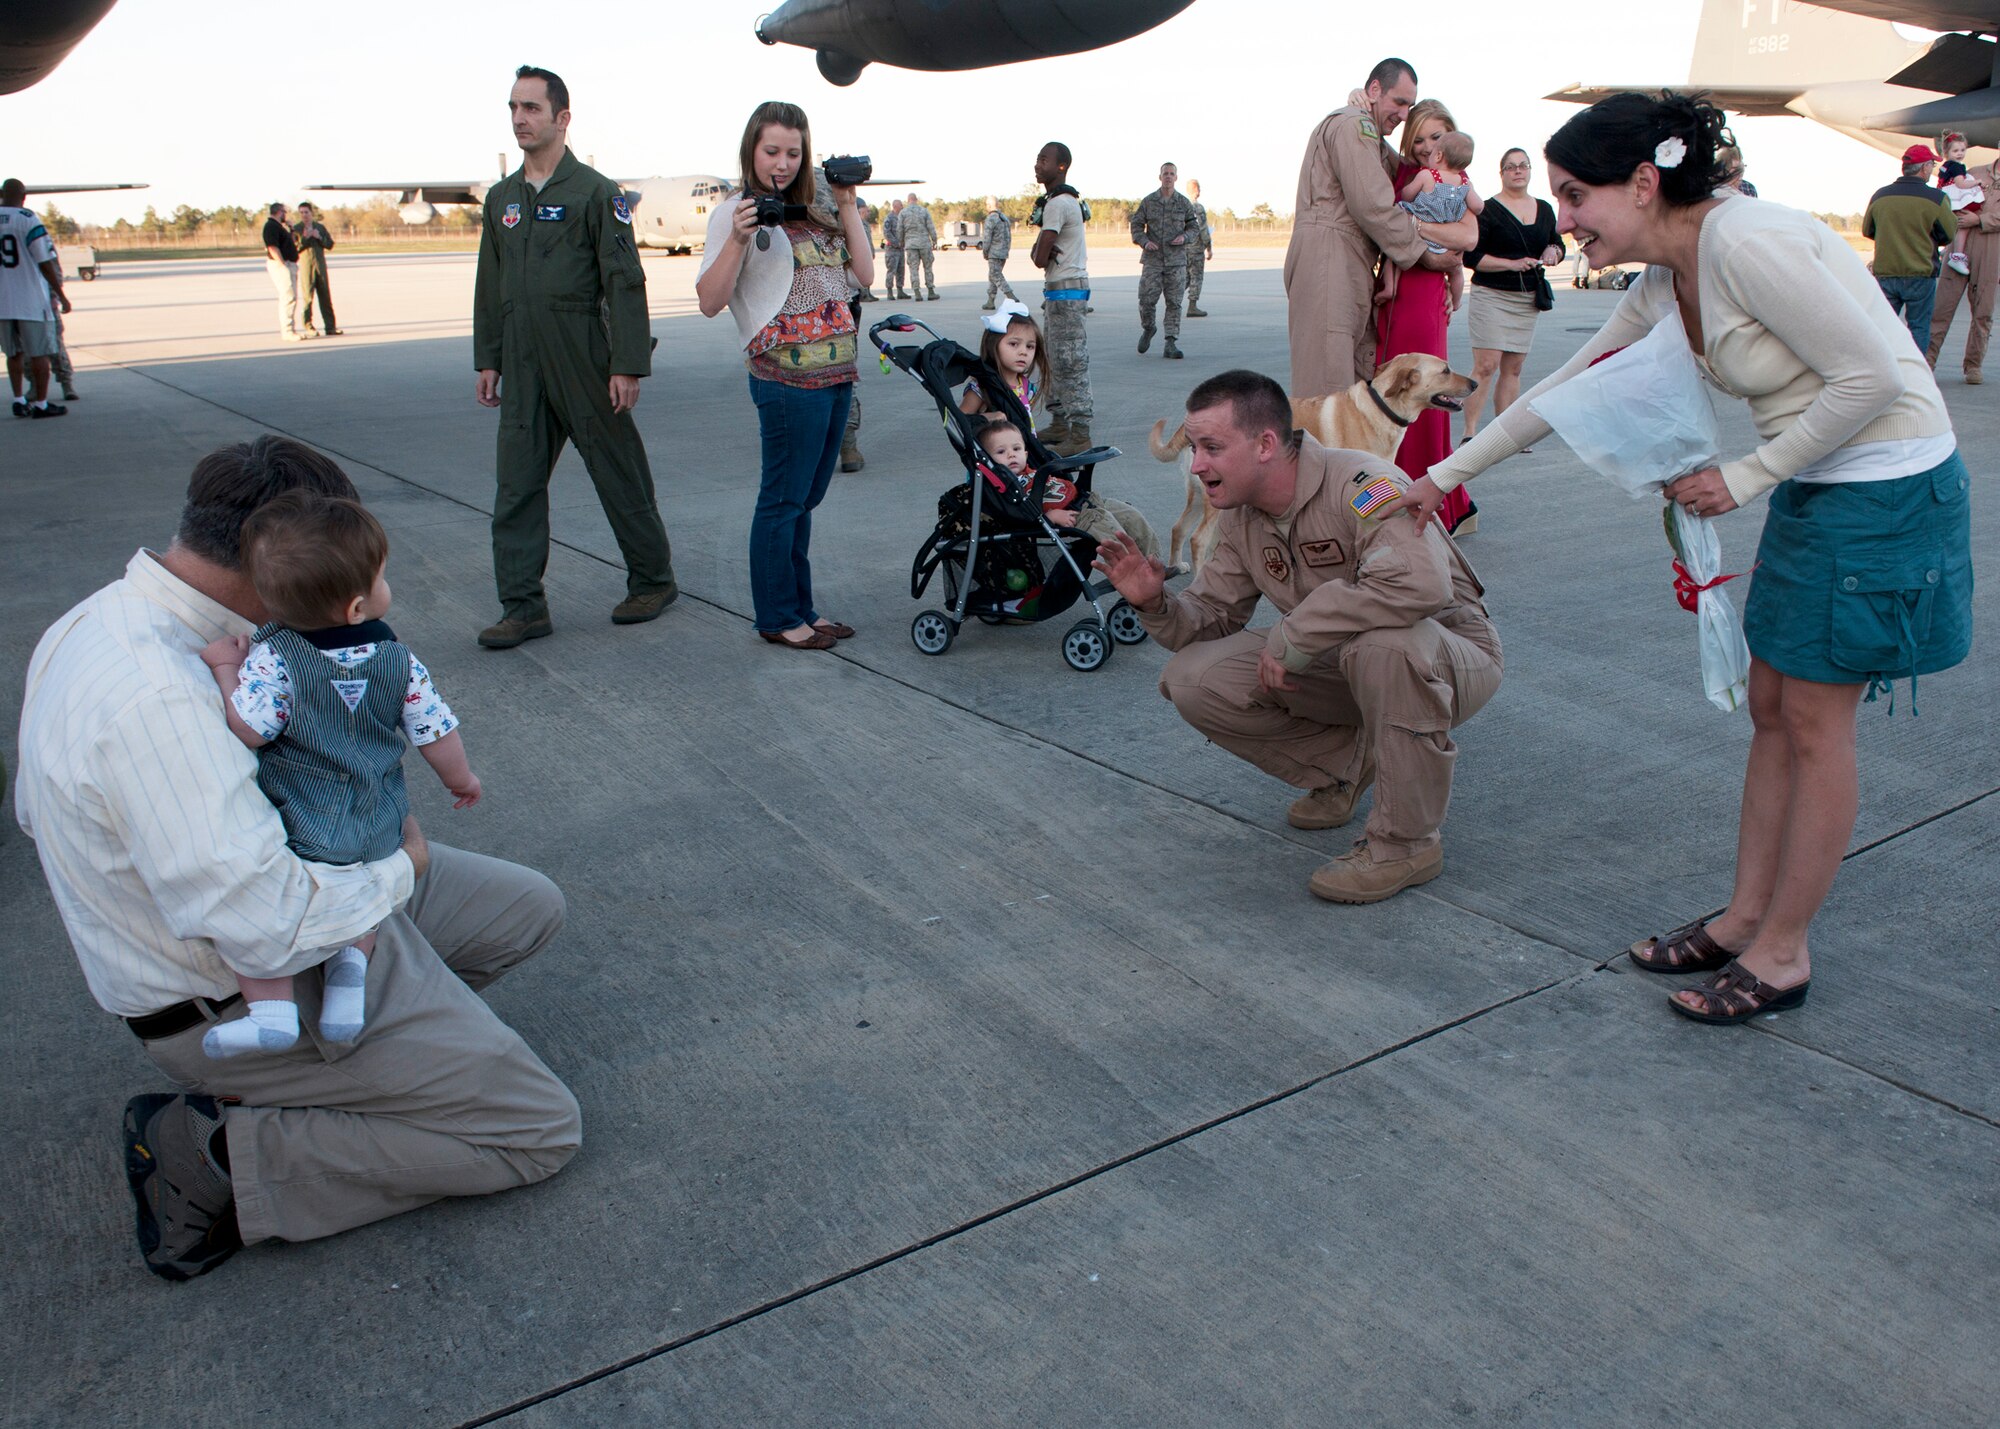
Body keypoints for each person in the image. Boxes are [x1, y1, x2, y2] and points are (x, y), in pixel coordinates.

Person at [1396, 92, 1970, 1025]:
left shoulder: (1746, 242)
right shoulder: (1669, 272)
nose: (1565, 218)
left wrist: (1746, 476)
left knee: (1818, 727)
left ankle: (1783, 952)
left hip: (1885, 491)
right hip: (1819, 488)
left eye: (1577, 196)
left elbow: (1874, 372)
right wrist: (1439, 479)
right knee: (1775, 708)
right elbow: (1569, 386)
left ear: (1644, 182)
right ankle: (1746, 915)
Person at [13, 435, 581, 1281]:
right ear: (266, 556)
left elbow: (29, 811)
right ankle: (217, 1155)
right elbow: (268, 925)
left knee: (526, 906)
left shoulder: (102, 618)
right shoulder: (157, 696)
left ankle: (377, 1070)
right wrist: (404, 866)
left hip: (308, 898)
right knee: (538, 1128)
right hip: (238, 985)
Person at [1095, 370, 1500, 904]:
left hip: (1448, 655)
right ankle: (1349, 768)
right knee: (1193, 679)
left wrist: (1296, 631)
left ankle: (1406, 844)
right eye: (1194, 449)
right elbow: (1210, 617)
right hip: (1346, 661)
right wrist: (1154, 602)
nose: (1196, 466)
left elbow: (1419, 586)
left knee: (1384, 645)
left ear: (1265, 444)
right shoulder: (1243, 519)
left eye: (1211, 448)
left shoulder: (1362, 482)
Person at [197, 491, 482, 1059]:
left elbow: (248, 729)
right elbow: (435, 733)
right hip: (378, 816)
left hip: (299, 820)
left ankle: (271, 1011)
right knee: (364, 898)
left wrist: (227, 668)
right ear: (356, 608)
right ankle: (348, 983)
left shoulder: (274, 659)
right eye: (381, 577)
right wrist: (461, 780)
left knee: (263, 921)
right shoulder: (400, 661)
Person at [472, 65, 680, 649]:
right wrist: (488, 357)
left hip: (584, 354)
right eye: (513, 107)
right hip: (522, 357)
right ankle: (522, 606)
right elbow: (490, 282)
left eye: (532, 108)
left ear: (562, 118)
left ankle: (653, 579)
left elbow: (624, 280)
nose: (519, 118)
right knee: (515, 485)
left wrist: (627, 363)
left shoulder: (595, 192)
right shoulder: (501, 198)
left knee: (618, 472)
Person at [696, 99, 873, 650]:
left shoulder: (814, 210)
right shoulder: (735, 213)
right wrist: (738, 239)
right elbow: (708, 300)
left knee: (805, 499)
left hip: (837, 374)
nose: (784, 162)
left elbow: (864, 274)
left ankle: (802, 607)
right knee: (782, 499)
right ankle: (777, 617)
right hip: (786, 380)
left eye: (794, 152)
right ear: (752, 149)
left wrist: (845, 204)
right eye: (772, 150)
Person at [1282, 58, 1476, 399]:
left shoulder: (1364, 132)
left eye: (1409, 106)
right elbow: (1373, 205)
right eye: (1398, 102)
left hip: (1347, 260)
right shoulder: (1354, 126)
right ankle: (1322, 455)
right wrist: (1426, 258)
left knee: (1350, 382)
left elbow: (1400, 167)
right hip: (1331, 257)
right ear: (1374, 90)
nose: (1403, 115)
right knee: (1326, 394)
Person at [1375, 100, 1477, 535]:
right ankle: (1401, 491)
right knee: (1390, 391)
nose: (1425, 147)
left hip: (1425, 293)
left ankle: (1438, 498)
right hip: (1397, 295)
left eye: (1435, 137)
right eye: (1417, 139)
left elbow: (1469, 236)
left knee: (1427, 391)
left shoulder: (1456, 178)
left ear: (1449, 138)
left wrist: (1417, 228)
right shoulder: (1402, 175)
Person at [1460, 148, 1565, 442]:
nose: (1518, 171)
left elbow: (1557, 242)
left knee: (1514, 368)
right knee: (1486, 365)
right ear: (1502, 173)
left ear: (1530, 171)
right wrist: (1512, 264)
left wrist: (1553, 251)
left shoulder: (1544, 209)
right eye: (1510, 167)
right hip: (1491, 296)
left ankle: (1503, 436)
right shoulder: (1488, 210)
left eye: (1523, 166)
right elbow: (1472, 258)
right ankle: (1470, 434)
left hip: (1526, 298)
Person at [973, 416, 1159, 557]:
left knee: (1132, 517)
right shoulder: (1006, 488)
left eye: (1016, 449)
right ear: (988, 459)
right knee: (1116, 540)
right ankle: (1138, 576)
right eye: (1001, 452)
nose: (1011, 455)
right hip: (1078, 516)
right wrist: (1048, 517)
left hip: (1089, 501)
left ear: (1026, 453)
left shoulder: (1032, 470)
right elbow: (1016, 515)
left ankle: (1154, 562)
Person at [1030, 140, 1094, 457]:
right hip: (1059, 292)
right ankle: (1059, 422)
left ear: (1061, 166)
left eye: (1044, 159)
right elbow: (1039, 253)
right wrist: (1041, 248)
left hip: (1066, 293)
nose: (1037, 164)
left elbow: (1039, 258)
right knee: (1054, 359)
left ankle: (1080, 432)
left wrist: (1042, 247)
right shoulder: (1059, 200)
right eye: (1037, 159)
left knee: (1070, 363)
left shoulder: (1058, 204)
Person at [1862, 144, 1955, 354]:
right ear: (1924, 168)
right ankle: (1916, 378)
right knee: (1919, 328)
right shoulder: (1936, 199)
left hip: (1886, 273)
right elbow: (1947, 234)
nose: (1932, 168)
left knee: (1883, 329)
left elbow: (1868, 230)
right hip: (1920, 274)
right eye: (1932, 164)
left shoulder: (1880, 196)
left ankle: (1884, 375)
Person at [1389, 128, 1482, 315]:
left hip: (1421, 238)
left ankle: (1389, 286)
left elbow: (1406, 195)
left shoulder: (1427, 176)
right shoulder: (1464, 183)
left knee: (1395, 255)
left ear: (1438, 156)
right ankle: (1455, 302)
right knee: (1456, 272)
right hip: (1445, 242)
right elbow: (1478, 206)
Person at [1928, 134, 1996, 384]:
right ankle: (1928, 361)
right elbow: (1947, 193)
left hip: (1991, 248)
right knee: (1942, 307)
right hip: (1960, 247)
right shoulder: (1975, 172)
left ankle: (1973, 366)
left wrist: (1980, 220)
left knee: (1983, 312)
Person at [0, 177, 70, 418]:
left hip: (3, 303)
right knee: (39, 354)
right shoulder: (28, 220)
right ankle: (41, 404)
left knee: (13, 354)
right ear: (24, 196)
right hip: (30, 300)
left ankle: (19, 399)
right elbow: (45, 261)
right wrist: (61, 295)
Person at [1131, 161, 1198, 359]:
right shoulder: (1149, 201)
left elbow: (1193, 227)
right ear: (1160, 177)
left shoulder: (1183, 203)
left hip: (1176, 261)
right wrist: (1144, 241)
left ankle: (1170, 342)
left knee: (1174, 303)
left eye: (1171, 173)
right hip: (1153, 260)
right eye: (1165, 173)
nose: (1168, 176)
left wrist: (1184, 238)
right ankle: (1149, 328)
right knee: (1146, 299)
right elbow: (1136, 226)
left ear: (1176, 178)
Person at [958, 300, 1047, 418]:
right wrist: (988, 418)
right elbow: (958, 422)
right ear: (993, 345)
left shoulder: (1026, 387)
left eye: (1030, 346)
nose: (1023, 352)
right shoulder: (982, 387)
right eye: (1014, 344)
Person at [1936, 135, 1982, 278]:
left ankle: (1951, 251)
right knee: (1964, 225)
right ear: (1946, 152)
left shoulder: (1945, 166)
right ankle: (1957, 255)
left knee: (1956, 225)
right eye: (1956, 151)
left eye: (1962, 150)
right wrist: (1976, 182)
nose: (1960, 154)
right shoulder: (1957, 166)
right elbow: (1960, 184)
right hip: (1957, 198)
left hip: (1946, 196)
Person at [262, 201, 308, 342]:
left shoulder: (280, 227)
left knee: (291, 297)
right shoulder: (271, 226)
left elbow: (293, 241)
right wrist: (282, 265)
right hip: (282, 265)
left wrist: (292, 228)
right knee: (288, 297)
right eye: (284, 212)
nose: (285, 215)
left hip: (289, 263)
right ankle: (288, 331)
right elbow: (272, 247)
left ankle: (290, 329)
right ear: (279, 212)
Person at [294, 202, 340, 336]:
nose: (304, 215)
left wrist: (319, 237)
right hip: (306, 266)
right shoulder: (296, 229)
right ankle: (308, 325)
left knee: (325, 295)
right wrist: (305, 238)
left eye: (306, 212)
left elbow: (330, 244)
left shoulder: (319, 227)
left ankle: (330, 326)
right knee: (308, 297)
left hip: (320, 265)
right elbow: (294, 249)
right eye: (301, 213)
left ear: (311, 213)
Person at [978, 196, 1017, 310]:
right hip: (1003, 251)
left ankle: (1011, 296)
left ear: (989, 205)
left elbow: (987, 238)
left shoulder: (991, 218)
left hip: (994, 252)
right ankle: (990, 301)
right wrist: (1007, 250)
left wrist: (985, 252)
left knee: (995, 275)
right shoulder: (1004, 218)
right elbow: (1009, 236)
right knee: (993, 276)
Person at [900, 191, 938, 301]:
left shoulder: (903, 213)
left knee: (913, 268)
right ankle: (930, 291)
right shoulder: (924, 211)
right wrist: (934, 239)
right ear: (916, 200)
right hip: (924, 243)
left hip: (911, 244)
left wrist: (902, 241)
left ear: (908, 201)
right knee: (928, 267)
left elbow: (900, 229)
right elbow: (931, 226)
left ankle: (917, 292)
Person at [1184, 177, 1213, 317]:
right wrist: (1208, 246)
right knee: (1196, 276)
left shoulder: (1181, 205)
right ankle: (1192, 306)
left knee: (1185, 277)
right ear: (1196, 190)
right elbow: (1202, 228)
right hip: (1195, 248)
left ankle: (1173, 299)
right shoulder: (1197, 207)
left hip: (1183, 248)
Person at [883, 197, 906, 301]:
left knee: (901, 269)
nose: (902, 206)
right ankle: (889, 292)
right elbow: (887, 233)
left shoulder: (902, 217)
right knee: (891, 270)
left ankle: (900, 291)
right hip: (892, 249)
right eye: (901, 205)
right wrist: (896, 243)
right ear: (895, 206)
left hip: (901, 249)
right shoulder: (889, 218)